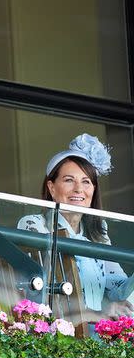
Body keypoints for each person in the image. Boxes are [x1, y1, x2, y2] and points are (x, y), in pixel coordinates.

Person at [17, 133, 133, 319]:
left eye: (86, 182)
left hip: (94, 336)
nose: (79, 189)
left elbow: (117, 290)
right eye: (69, 180)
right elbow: (42, 293)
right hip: (53, 334)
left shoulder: (98, 233)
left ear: (94, 191)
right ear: (51, 188)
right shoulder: (34, 225)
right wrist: (101, 313)